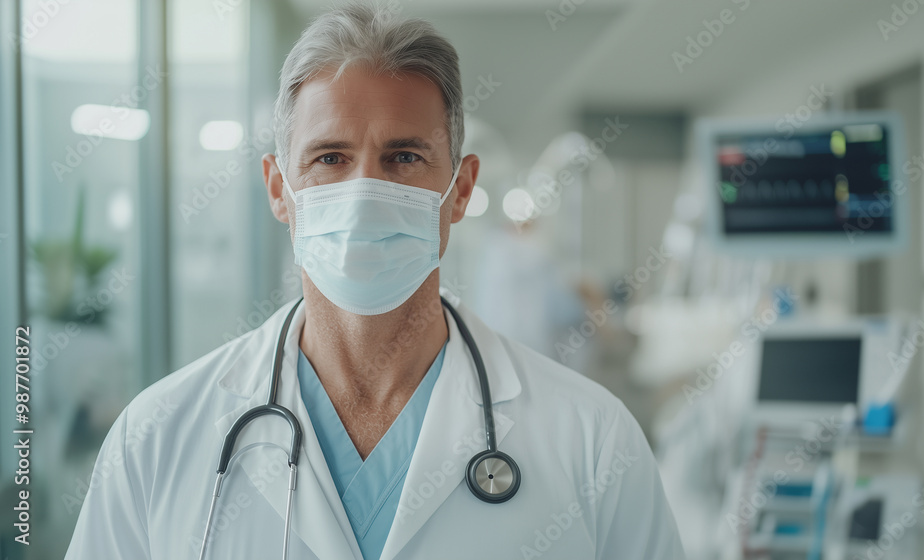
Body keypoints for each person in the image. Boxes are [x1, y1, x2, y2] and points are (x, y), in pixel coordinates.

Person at [65, 4, 685, 559]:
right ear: (280, 188)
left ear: (460, 189)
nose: (364, 193)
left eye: (404, 158)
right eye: (329, 157)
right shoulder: (157, 436)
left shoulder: (594, 439)